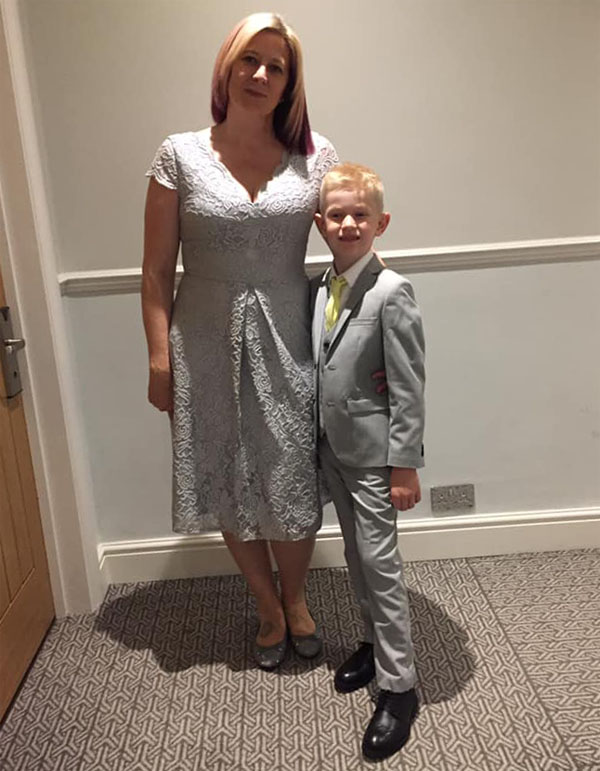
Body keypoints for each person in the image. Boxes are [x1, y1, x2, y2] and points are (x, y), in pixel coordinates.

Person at [142, 12, 338, 670]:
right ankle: (267, 605)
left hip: (290, 330)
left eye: (276, 66)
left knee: (291, 472)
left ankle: (298, 596)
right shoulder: (178, 155)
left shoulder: (316, 156)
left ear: (290, 83)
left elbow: (349, 232)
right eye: (249, 60)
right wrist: (159, 359)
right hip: (203, 335)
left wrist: (379, 308)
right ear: (226, 68)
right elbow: (154, 271)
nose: (260, 74)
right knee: (225, 470)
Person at [311, 163, 425, 761]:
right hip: (334, 449)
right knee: (356, 556)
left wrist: (404, 464)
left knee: (380, 565)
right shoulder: (319, 288)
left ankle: (400, 685)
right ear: (320, 223)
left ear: (381, 222)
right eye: (337, 215)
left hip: (376, 457)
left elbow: (408, 386)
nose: (349, 224)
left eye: (361, 214)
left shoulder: (391, 292)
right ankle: (373, 643)